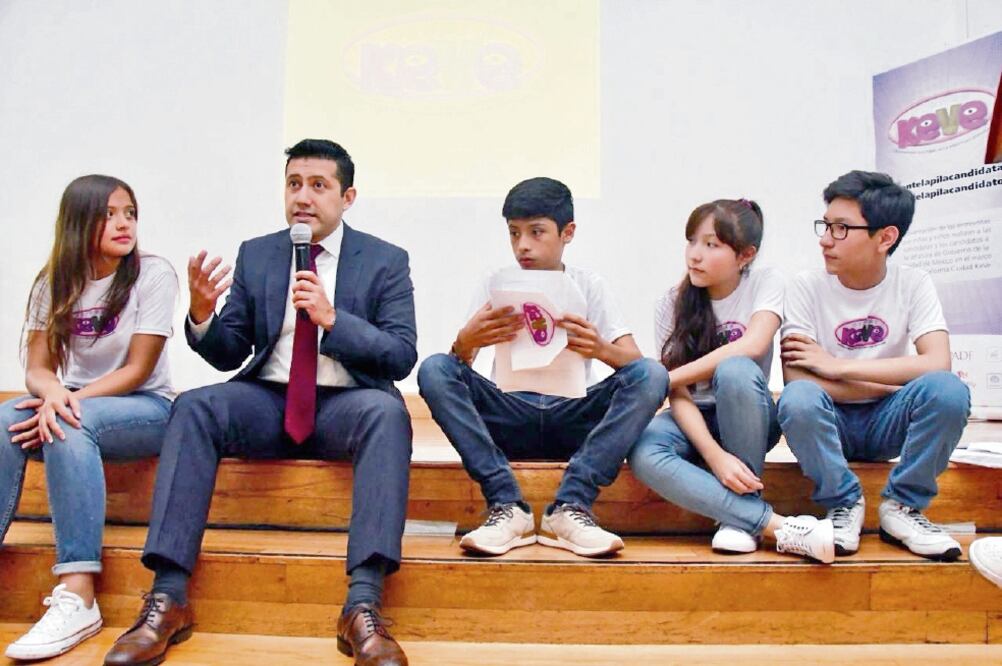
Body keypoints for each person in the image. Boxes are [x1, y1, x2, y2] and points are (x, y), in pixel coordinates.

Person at [103, 140, 417, 666]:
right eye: (294, 184)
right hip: (270, 400)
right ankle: (168, 597)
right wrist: (202, 316)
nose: (302, 197)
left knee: (389, 413)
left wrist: (334, 320)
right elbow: (230, 351)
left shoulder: (385, 260)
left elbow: (401, 355)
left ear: (347, 197)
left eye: (318, 186)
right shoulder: (259, 253)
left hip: (348, 403)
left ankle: (362, 604)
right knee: (195, 406)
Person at [418, 177, 668, 558]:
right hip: (508, 412)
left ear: (568, 233)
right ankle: (506, 505)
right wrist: (464, 343)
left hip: (574, 415)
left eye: (536, 232)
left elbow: (636, 362)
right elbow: (459, 367)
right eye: (514, 233)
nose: (523, 245)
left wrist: (601, 349)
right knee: (435, 368)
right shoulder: (495, 282)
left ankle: (571, 506)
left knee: (652, 375)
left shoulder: (588, 284)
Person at [1, 175, 177, 660]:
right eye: (109, 214)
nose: (124, 224)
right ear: (79, 222)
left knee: (68, 423)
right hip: (78, 401)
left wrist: (65, 401)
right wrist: (54, 392)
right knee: (4, 419)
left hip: (146, 406)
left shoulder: (153, 274)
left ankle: (78, 594)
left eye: (130, 213)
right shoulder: (53, 280)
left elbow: (137, 369)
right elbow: (37, 368)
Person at [628, 199, 834, 563]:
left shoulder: (765, 283)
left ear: (745, 255)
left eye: (711, 244)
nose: (695, 255)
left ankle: (739, 516)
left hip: (747, 414)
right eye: (692, 241)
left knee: (735, 369)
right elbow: (679, 394)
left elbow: (753, 345)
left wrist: (666, 376)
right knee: (643, 450)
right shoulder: (670, 303)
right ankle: (765, 523)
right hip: (693, 417)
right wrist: (713, 455)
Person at [778, 170, 970, 561]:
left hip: (888, 421)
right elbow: (798, 380)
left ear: (885, 238)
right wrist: (894, 384)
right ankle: (843, 503)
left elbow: (938, 363)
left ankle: (902, 507)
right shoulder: (806, 286)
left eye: (841, 228)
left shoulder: (913, 283)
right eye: (826, 225)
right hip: (831, 422)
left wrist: (838, 367)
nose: (825, 239)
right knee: (798, 399)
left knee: (949, 391)